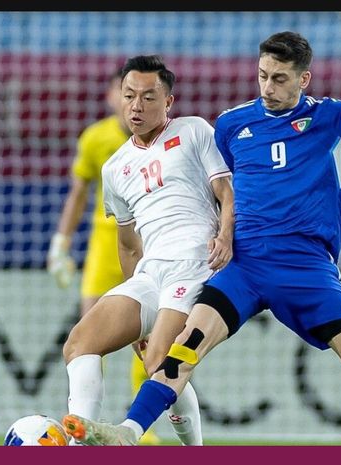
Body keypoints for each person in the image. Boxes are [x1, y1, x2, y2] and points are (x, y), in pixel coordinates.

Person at [62, 31, 341, 446]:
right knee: (182, 352)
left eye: (280, 78)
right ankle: (129, 434)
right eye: (263, 74)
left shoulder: (330, 117)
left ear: (304, 79)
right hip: (243, 267)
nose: (268, 86)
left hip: (305, 267)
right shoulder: (230, 125)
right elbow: (213, 189)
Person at [60, 54, 234, 446]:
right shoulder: (115, 167)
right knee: (79, 343)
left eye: (149, 97)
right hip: (149, 274)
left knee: (160, 362)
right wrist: (138, 306)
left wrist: (225, 236)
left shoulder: (193, 131)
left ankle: (195, 450)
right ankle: (80, 444)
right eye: (130, 96)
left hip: (194, 263)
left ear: (168, 101)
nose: (137, 106)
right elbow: (127, 242)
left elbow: (226, 191)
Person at [46, 68, 163, 445]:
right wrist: (60, 243)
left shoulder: (164, 140)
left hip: (147, 249)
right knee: (90, 338)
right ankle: (84, 425)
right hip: (103, 252)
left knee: (147, 343)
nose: (130, 101)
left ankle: (141, 428)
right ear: (112, 96)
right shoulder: (96, 139)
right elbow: (78, 193)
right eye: (123, 92)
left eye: (140, 94)